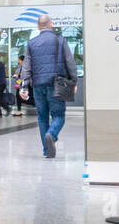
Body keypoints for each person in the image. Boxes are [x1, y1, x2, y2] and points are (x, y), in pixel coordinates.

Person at [20, 16, 78, 158]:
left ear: (38, 26)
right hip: (56, 84)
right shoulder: (60, 40)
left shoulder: (31, 43)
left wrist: (24, 87)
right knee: (58, 115)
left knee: (42, 117)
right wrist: (74, 81)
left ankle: (47, 150)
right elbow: (69, 62)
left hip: (38, 85)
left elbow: (26, 67)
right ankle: (51, 135)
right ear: (51, 24)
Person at [12, 51, 28, 117]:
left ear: (21, 60)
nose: (18, 61)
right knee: (18, 97)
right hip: (20, 84)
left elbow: (23, 75)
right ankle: (19, 111)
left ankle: (19, 111)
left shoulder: (24, 67)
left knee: (22, 97)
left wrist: (17, 75)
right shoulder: (21, 66)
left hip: (24, 84)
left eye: (19, 60)